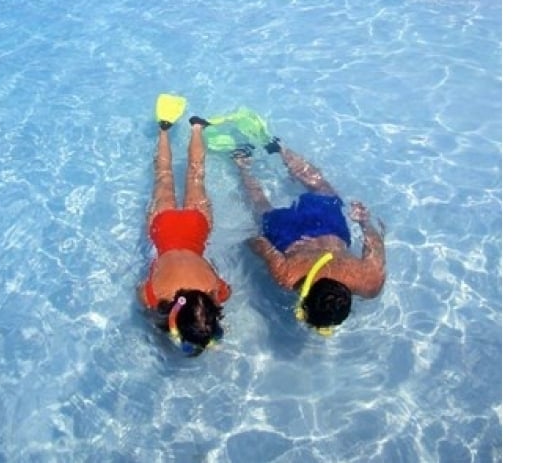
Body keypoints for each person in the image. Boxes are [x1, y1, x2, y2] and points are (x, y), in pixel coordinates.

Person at [230, 135, 385, 336]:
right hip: (288, 236)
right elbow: (261, 243)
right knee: (261, 205)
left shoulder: (369, 281)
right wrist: (245, 241)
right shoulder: (289, 278)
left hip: (329, 229)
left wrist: (364, 222)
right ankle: (242, 164)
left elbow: (375, 244)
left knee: (321, 187)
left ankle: (278, 148)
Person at [137, 114, 231, 356]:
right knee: (164, 175)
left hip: (196, 225)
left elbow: (225, 291)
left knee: (195, 173)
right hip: (163, 225)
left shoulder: (216, 291)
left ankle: (196, 127)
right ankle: (164, 128)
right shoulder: (155, 297)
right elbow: (141, 291)